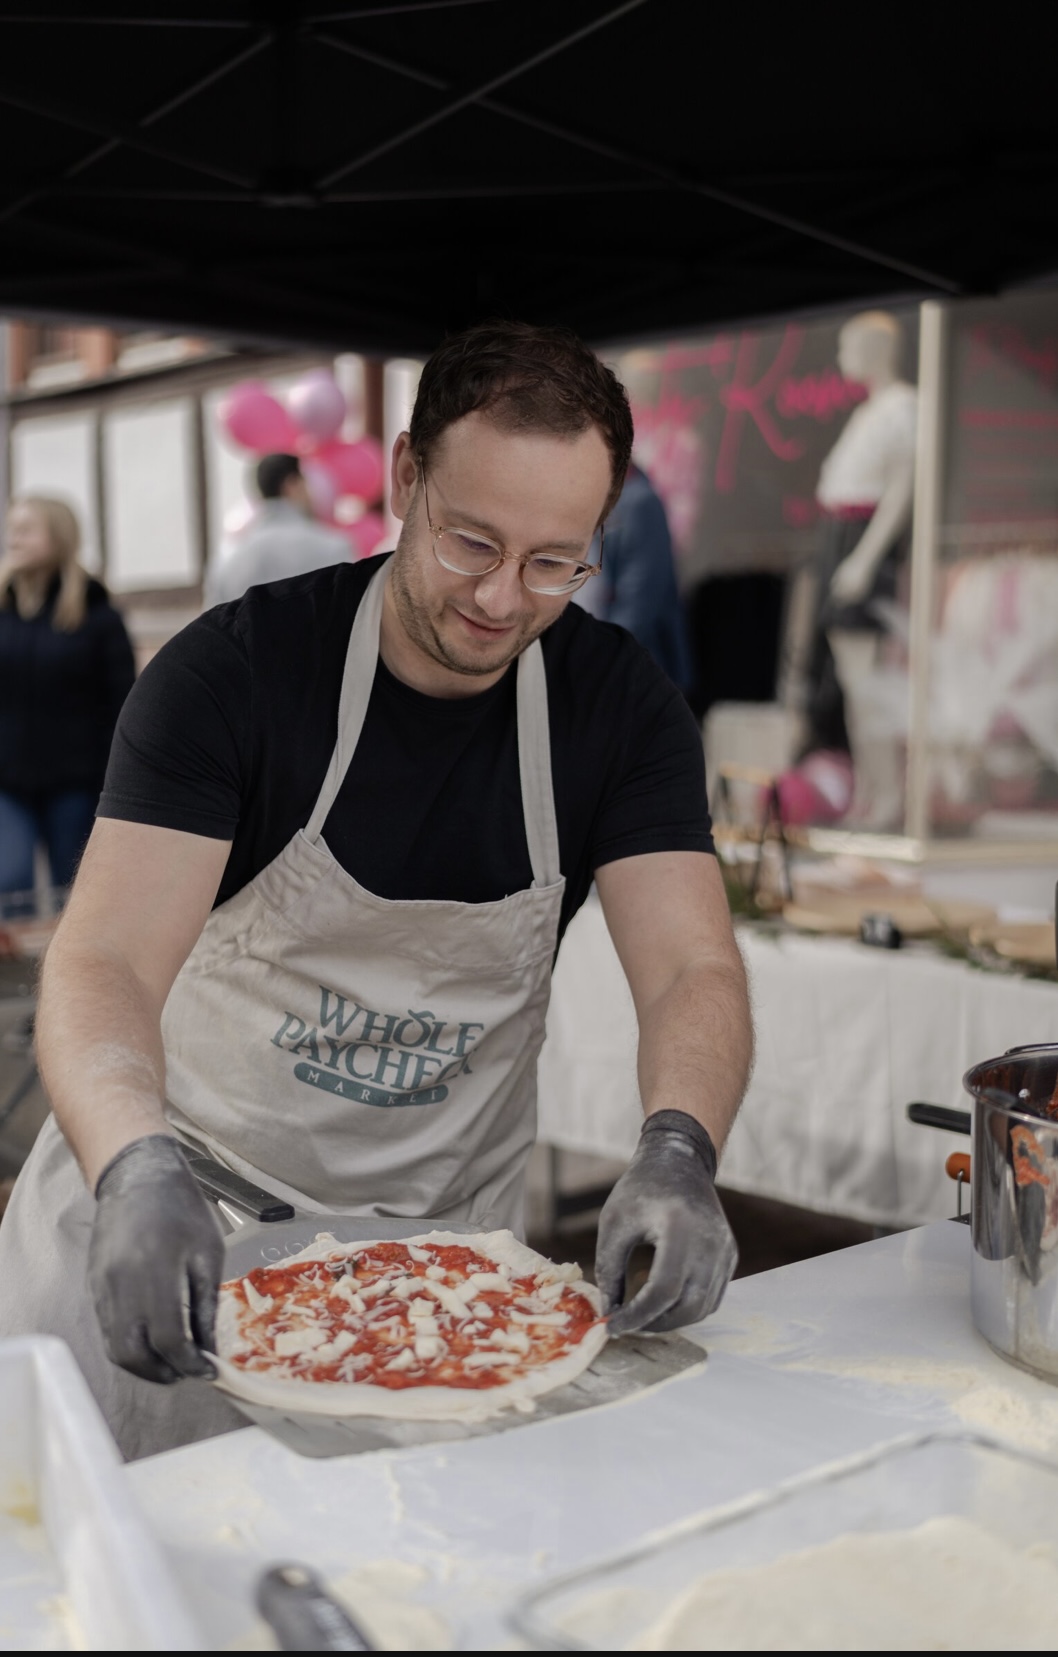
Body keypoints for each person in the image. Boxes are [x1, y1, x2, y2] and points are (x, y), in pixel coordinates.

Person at [0, 322, 753, 1461]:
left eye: (555, 561)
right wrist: (131, 1160)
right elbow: (101, 959)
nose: (503, 599)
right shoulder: (235, 674)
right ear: (404, 477)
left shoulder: (617, 707)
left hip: (446, 1269)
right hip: (179, 1224)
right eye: (470, 542)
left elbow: (692, 964)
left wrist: (678, 1147)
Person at [0, 495, 135, 911]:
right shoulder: (2, 607)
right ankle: (14, 977)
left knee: (74, 897)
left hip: (76, 783)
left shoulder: (98, 614)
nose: (14, 537)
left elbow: (123, 703)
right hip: (8, 781)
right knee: (10, 881)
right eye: (12, 528)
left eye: (27, 528)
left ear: (57, 537)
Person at [574, 462, 693, 690]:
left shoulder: (640, 503)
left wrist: (597, 661)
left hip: (636, 674)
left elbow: (639, 603)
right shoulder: (609, 500)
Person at [205, 452, 349, 605]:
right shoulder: (332, 547)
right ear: (292, 485)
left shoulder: (226, 558)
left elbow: (211, 622)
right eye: (306, 483)